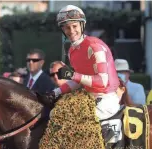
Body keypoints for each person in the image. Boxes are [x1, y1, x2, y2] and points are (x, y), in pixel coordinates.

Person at [38, 5, 120, 140]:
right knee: (55, 114)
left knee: (71, 122)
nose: (71, 31)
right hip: (88, 98)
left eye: (74, 26)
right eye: (66, 27)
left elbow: (102, 82)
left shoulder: (95, 46)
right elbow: (79, 82)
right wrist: (55, 93)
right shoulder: (72, 51)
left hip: (106, 99)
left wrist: (73, 75)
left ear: (82, 25)